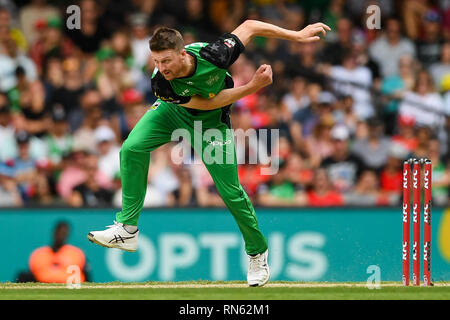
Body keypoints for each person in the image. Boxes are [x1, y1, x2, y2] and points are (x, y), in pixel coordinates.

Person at [88, 20, 330, 287]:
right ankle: (127, 229)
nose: (162, 68)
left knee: (231, 192)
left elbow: (249, 26)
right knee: (131, 148)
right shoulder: (161, 82)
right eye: (156, 61)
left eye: (166, 60)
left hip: (210, 126)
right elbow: (205, 102)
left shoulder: (215, 54)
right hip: (173, 113)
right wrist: (252, 87)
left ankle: (257, 252)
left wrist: (296, 35)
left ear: (182, 54)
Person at [17, 221, 89, 283]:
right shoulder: (39, 254)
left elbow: (86, 277)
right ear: (54, 232)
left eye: (64, 233)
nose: (61, 236)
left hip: (70, 290)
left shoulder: (77, 254)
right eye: (59, 232)